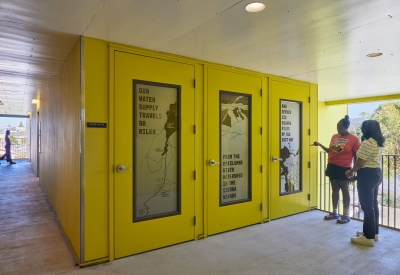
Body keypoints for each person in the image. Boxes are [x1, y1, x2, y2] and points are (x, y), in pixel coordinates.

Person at [313, 115, 360, 223]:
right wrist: (319, 144)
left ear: (346, 127)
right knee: (334, 189)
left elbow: (356, 156)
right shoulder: (334, 136)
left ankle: (346, 215)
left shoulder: (354, 139)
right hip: (332, 165)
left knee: (345, 190)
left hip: (344, 167)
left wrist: (354, 171)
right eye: (337, 127)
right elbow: (330, 151)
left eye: (340, 127)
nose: (338, 129)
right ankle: (335, 213)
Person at [345, 120, 384, 247]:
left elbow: (360, 163)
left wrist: (351, 172)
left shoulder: (367, 142)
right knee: (373, 204)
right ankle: (373, 233)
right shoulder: (378, 142)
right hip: (376, 173)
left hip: (367, 175)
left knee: (367, 207)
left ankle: (368, 237)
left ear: (366, 129)